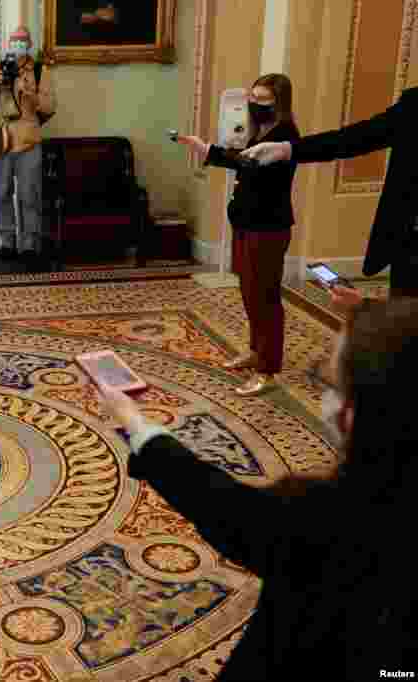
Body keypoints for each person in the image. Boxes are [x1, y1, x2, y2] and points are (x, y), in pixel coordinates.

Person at [97, 297, 418, 680]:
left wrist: (137, 425)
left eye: (331, 381)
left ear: (358, 411)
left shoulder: (325, 516)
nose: (327, 397)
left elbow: (223, 505)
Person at [176, 74, 300, 396]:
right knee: (248, 290)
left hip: (268, 228)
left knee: (266, 297)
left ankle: (268, 369)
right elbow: (243, 162)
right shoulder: (260, 131)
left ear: (279, 103)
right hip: (245, 223)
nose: (255, 105)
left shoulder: (285, 135)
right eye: (253, 98)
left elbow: (252, 167)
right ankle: (255, 351)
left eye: (263, 100)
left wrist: (214, 153)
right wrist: (206, 149)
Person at [243, 86, 418, 298]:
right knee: (402, 317)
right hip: (408, 246)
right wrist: (287, 149)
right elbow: (356, 137)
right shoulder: (414, 103)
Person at [0, 26, 55, 268]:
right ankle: (7, 243)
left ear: (29, 44)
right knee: (2, 191)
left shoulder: (40, 70)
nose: (18, 45)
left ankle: (30, 245)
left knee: (30, 194)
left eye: (23, 41)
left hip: (28, 138)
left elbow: (50, 107)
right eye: (15, 41)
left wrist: (31, 95)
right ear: (9, 42)